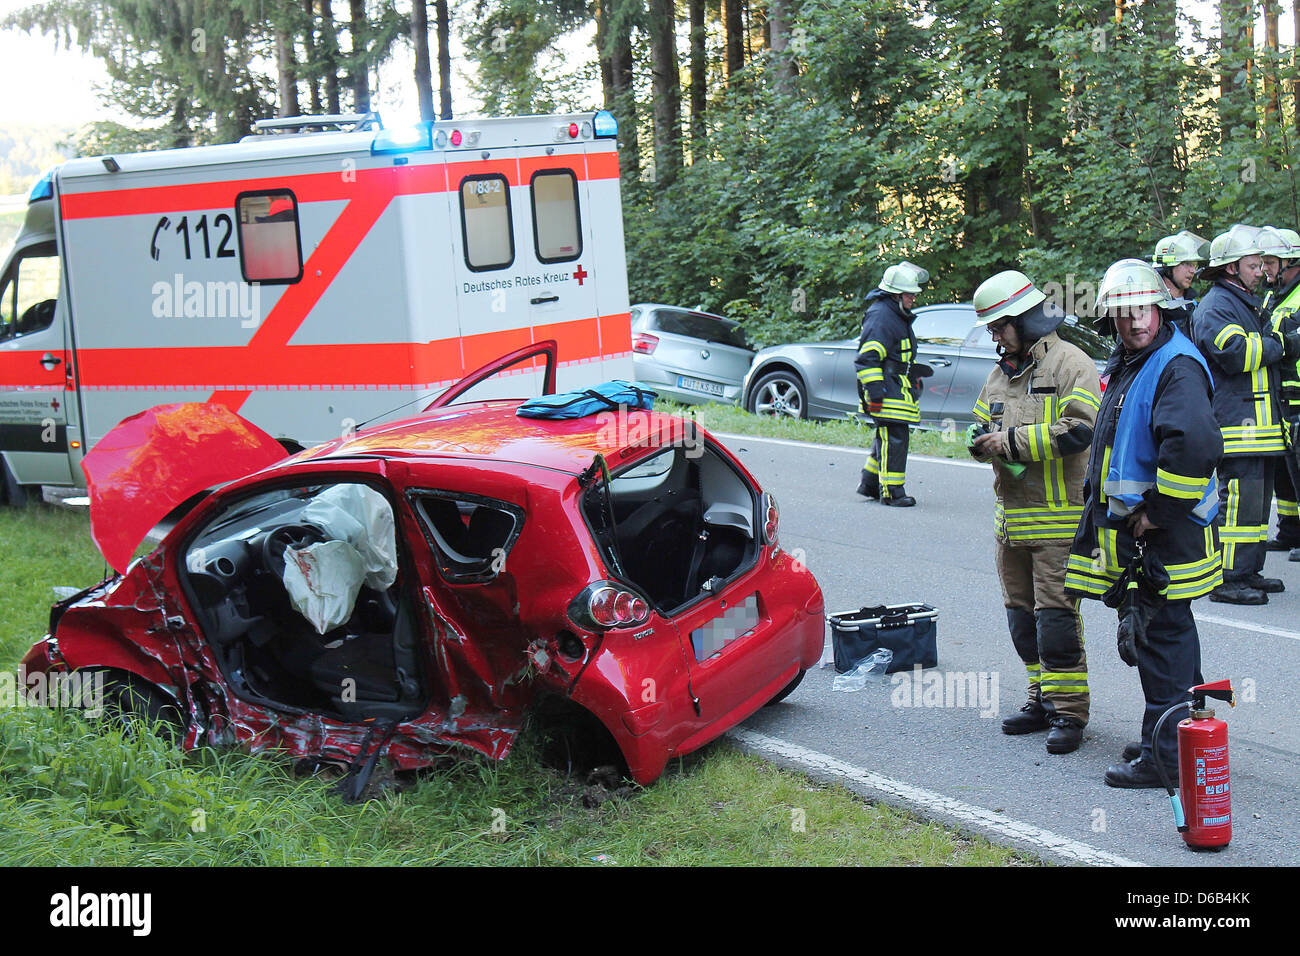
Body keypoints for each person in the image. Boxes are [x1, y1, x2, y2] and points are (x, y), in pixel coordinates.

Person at [1065, 259, 1223, 787]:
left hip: (1164, 533)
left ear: (1161, 309)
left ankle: (1166, 758)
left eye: (1142, 311)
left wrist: (1156, 510)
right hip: (1154, 532)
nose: (1133, 321)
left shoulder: (1175, 364)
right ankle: (1178, 731)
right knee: (1170, 634)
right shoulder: (1139, 359)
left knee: (1160, 636)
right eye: (1122, 312)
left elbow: (1195, 448)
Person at [969, 270, 1101, 754]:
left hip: (1059, 525)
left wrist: (1010, 441)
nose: (995, 337)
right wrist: (979, 442)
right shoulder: (999, 374)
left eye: (999, 326)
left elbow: (1080, 431)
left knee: (1056, 623)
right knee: (1022, 623)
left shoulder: (1072, 364)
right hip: (1011, 526)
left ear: (1027, 319)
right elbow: (980, 423)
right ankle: (1041, 699)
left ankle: (1069, 714)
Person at [1191, 224, 1300, 603]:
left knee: (1254, 507)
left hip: (1260, 427)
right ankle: (1227, 577)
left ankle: (1248, 570)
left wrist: (1277, 343)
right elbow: (1235, 353)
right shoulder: (1216, 306)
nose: (1263, 271)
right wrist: (1280, 345)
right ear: (1232, 268)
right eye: (1254, 265)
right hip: (1238, 426)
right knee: (1237, 504)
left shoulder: (1245, 302)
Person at [855, 261, 930, 506]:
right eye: (909, 294)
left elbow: (896, 355)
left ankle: (869, 482)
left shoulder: (893, 314)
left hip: (896, 386)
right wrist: (875, 392)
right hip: (885, 390)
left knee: (887, 436)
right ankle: (892, 493)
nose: (913, 299)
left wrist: (912, 374)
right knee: (895, 438)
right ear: (895, 294)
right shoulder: (882, 316)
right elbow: (868, 358)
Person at [1257, 227, 1300, 557]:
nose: (1264, 269)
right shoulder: (1273, 295)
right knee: (1285, 470)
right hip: (1281, 398)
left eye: (1270, 262)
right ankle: (1290, 529)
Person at [1150, 231, 1208, 337]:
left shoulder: (1193, 305)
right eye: (1186, 264)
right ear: (1167, 268)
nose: (1193, 271)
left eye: (1194, 265)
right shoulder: (1152, 308)